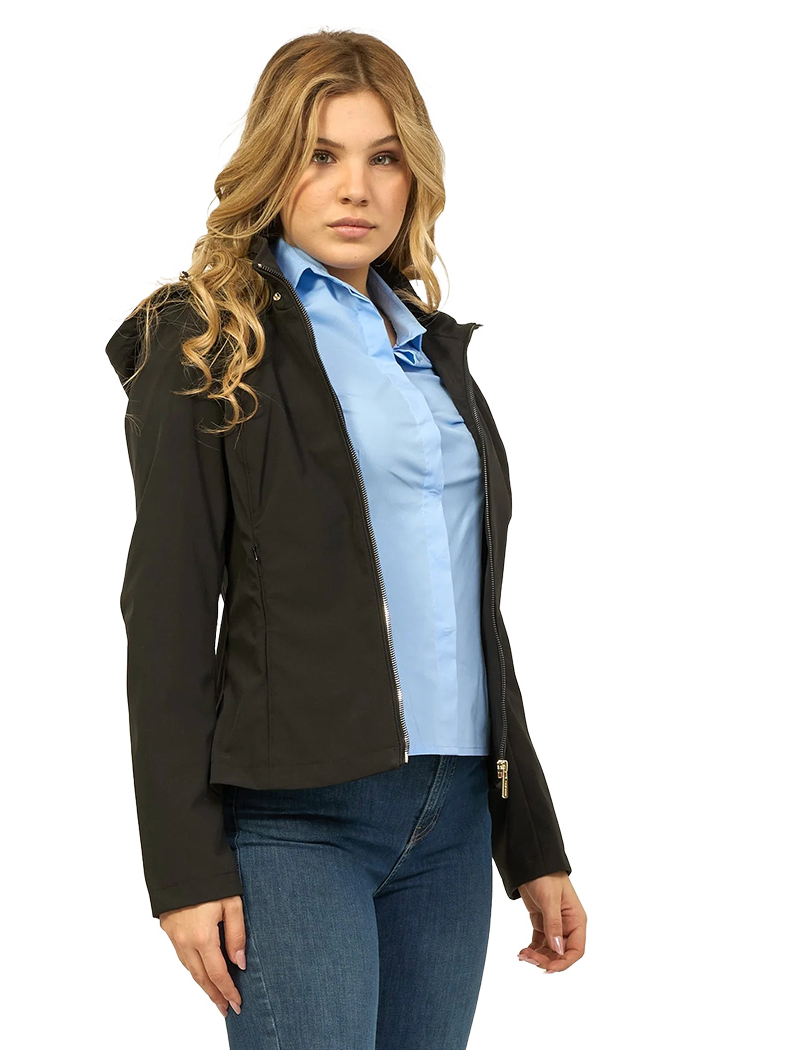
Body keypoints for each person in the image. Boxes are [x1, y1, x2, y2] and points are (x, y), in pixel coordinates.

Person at [105, 28, 587, 1050]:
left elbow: (466, 609)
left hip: (455, 815)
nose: (354, 188)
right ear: (273, 164)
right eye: (321, 155)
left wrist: (532, 839)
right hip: (296, 822)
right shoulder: (206, 337)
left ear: (416, 176)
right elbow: (169, 611)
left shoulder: (430, 350)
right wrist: (182, 866)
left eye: (384, 157)